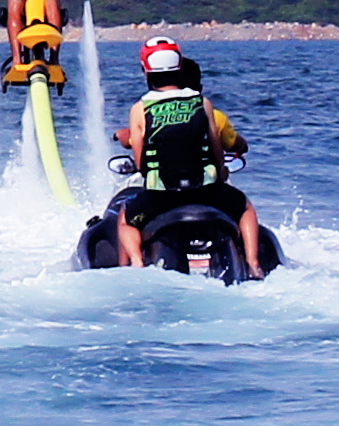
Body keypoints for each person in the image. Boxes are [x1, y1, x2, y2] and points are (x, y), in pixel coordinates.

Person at [98, 36, 265, 269]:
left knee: (125, 219)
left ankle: (135, 264)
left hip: (161, 197)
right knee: (245, 208)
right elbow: (216, 151)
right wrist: (219, 172)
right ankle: (254, 264)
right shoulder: (202, 103)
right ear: (179, 66)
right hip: (205, 191)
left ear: (145, 70)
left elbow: (141, 162)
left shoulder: (140, 109)